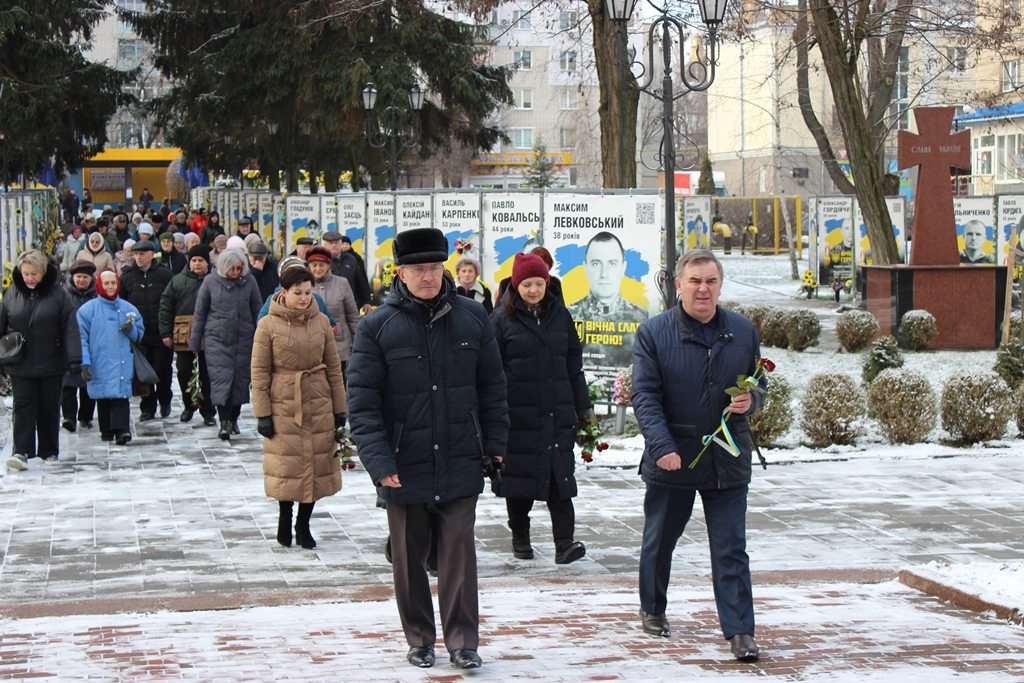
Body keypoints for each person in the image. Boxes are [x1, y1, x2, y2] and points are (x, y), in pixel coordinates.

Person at [348, 227, 509, 670]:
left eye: (435, 268)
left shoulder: (473, 317)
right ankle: (419, 638)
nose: (428, 277)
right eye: (419, 270)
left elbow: (493, 388)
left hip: (460, 456)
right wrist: (379, 463)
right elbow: (361, 404)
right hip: (404, 461)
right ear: (400, 272)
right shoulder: (377, 327)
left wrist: (494, 445)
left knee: (459, 556)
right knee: (408, 558)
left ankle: (462, 641)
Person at [631, 249, 764, 663]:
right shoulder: (654, 333)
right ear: (679, 286)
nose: (702, 289)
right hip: (675, 457)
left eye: (710, 281)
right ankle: (653, 608)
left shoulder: (743, 331)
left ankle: (740, 631)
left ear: (720, 285)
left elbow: (759, 384)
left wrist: (752, 401)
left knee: (730, 547)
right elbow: (645, 396)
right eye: (694, 281)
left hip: (726, 458)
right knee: (660, 541)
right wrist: (663, 447)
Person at [489, 252, 590, 564]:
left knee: (560, 479)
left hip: (557, 411)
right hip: (518, 414)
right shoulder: (502, 319)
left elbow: (574, 364)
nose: (533, 290)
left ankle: (565, 543)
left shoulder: (561, 314)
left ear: (547, 282)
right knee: (518, 481)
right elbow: (490, 370)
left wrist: (583, 409)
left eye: (539, 283)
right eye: (527, 284)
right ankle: (520, 538)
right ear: (516, 284)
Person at [251, 266, 347, 549]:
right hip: (284, 401)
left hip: (318, 399)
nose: (304, 298)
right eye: (298, 293)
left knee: (316, 465)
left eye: (308, 292)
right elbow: (259, 371)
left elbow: (333, 367)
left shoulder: (320, 322)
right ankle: (285, 518)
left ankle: (303, 524)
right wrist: (263, 413)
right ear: (284, 293)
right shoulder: (267, 325)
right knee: (287, 465)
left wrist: (339, 409)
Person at [1, 250, 82, 469]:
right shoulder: (11, 293)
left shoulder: (58, 294)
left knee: (49, 407)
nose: (29, 278)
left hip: (51, 361)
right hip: (19, 362)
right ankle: (21, 451)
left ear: (43, 272)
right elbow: (2, 325)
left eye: (33, 273)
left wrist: (75, 359)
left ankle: (49, 450)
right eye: (25, 273)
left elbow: (69, 327)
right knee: (23, 405)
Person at [190, 247, 262, 440]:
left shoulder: (249, 282)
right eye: (232, 269)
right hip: (217, 340)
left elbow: (257, 310)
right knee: (221, 380)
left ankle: (234, 418)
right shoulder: (210, 282)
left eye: (239, 268)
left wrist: (262, 337)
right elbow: (200, 313)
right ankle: (223, 422)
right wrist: (195, 343)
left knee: (240, 381)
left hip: (244, 339)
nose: (236, 273)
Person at [77, 270, 143, 446]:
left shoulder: (128, 309)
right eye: (106, 283)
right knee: (103, 395)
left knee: (120, 395)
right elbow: (81, 337)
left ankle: (122, 430)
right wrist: (84, 361)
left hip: (122, 360)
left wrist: (132, 331)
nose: (110, 287)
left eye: (113, 283)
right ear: (99, 284)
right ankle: (106, 430)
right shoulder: (87, 310)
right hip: (99, 360)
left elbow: (140, 335)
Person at [158, 245, 218, 426]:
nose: (197, 264)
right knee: (184, 372)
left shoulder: (215, 280)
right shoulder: (177, 281)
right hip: (183, 334)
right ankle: (189, 405)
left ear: (207, 263)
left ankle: (208, 411)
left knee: (208, 374)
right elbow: (165, 307)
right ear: (189, 262)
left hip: (210, 334)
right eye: (194, 260)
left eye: (201, 260)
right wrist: (166, 333)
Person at [119, 239, 174, 421]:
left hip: (160, 332)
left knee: (162, 369)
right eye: (136, 254)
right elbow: (122, 303)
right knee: (143, 372)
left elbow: (172, 301)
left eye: (142, 254)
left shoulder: (164, 275)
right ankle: (147, 407)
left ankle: (165, 400)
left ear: (152, 254)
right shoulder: (127, 277)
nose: (139, 258)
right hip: (139, 334)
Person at [567, 232, 647, 324]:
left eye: (612, 264)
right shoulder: (566, 316)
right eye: (596, 264)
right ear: (586, 268)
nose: (604, 274)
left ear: (623, 268)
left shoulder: (643, 319)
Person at [306, 246, 360, 373]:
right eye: (314, 265)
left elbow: (352, 316)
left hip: (338, 344)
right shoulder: (304, 285)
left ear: (328, 265)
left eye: (321, 265)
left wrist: (358, 343)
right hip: (311, 345)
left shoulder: (342, 284)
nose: (317, 269)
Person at [61, 260, 98, 433]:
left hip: (91, 343)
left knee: (87, 382)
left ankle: (86, 416)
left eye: (85, 277)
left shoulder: (96, 296)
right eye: (78, 277)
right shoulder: (63, 295)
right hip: (68, 343)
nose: (82, 280)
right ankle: (69, 417)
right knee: (68, 384)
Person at [322, 230, 372, 312]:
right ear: (325, 245)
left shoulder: (351, 259)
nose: (334, 245)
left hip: (350, 304)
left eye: (336, 242)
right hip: (328, 306)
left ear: (341, 243)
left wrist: (366, 301)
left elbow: (360, 282)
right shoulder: (321, 261)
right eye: (331, 243)